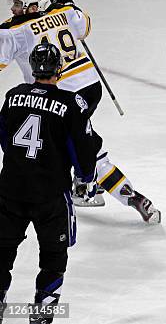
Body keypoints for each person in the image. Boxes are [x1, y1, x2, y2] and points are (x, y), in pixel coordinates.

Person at [0, 0, 160, 223]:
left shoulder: (14, 32)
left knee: (76, 146)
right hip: (91, 88)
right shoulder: (64, 12)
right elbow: (84, 26)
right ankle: (125, 194)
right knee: (83, 142)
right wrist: (70, 3)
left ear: (34, 7)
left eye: (20, 5)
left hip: (60, 95)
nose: (14, 9)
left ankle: (89, 187)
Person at [0, 43, 97, 324]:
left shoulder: (14, 95)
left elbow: (4, 135)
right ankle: (41, 315)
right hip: (50, 196)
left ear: (33, 67)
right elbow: (83, 152)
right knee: (54, 257)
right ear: (59, 69)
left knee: (1, 253)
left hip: (10, 190)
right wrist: (85, 178)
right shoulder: (71, 104)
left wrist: (22, 163)